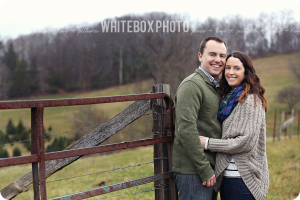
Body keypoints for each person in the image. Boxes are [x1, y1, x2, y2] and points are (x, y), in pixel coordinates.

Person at [199, 51, 269, 200]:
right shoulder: (230, 99)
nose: (231, 72)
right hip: (229, 178)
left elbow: (245, 142)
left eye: (237, 68)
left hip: (241, 178)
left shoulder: (250, 100)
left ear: (246, 72)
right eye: (228, 68)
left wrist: (208, 143)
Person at [172, 36, 227, 200]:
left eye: (222, 56)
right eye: (212, 54)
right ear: (200, 56)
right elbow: (186, 130)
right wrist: (204, 168)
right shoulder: (192, 85)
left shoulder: (215, 86)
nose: (218, 60)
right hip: (193, 171)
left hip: (208, 169)